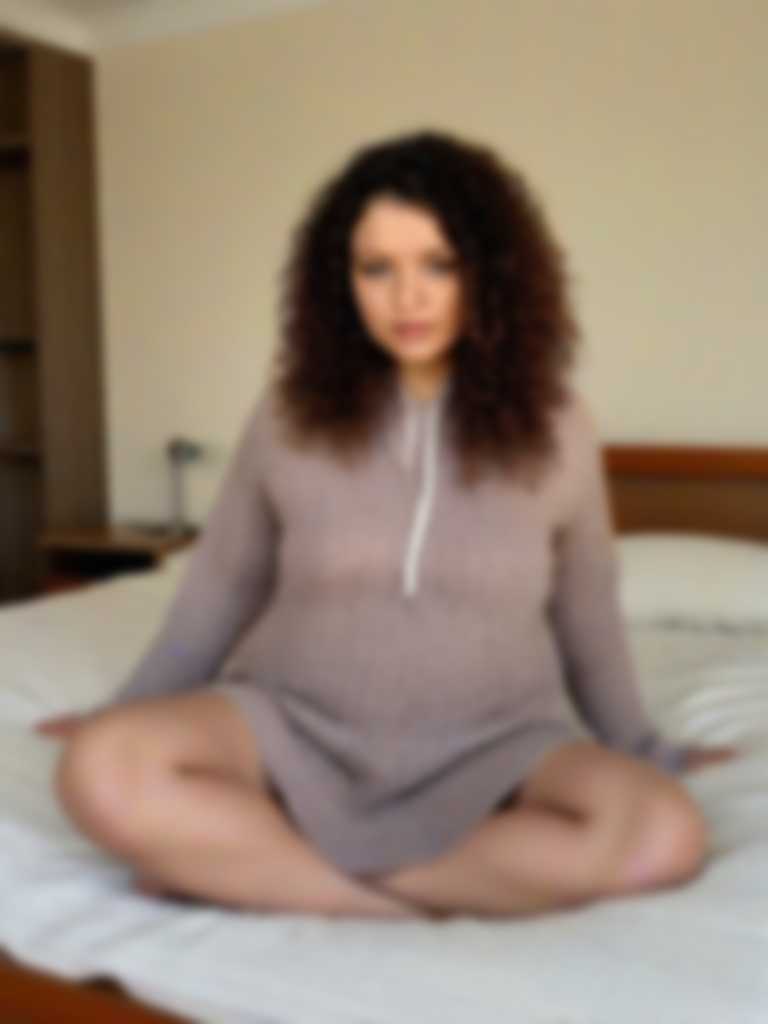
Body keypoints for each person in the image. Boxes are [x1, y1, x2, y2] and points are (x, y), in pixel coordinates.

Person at [36, 129, 737, 921]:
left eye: (439, 264)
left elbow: (587, 609)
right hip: (291, 722)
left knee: (663, 833)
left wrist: (642, 747)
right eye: (377, 268)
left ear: (493, 273)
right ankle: (383, 908)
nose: (409, 298)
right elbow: (222, 583)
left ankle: (253, 865)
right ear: (341, 283)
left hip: (497, 740)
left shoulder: (558, 426)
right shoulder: (288, 414)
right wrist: (123, 710)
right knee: (101, 767)